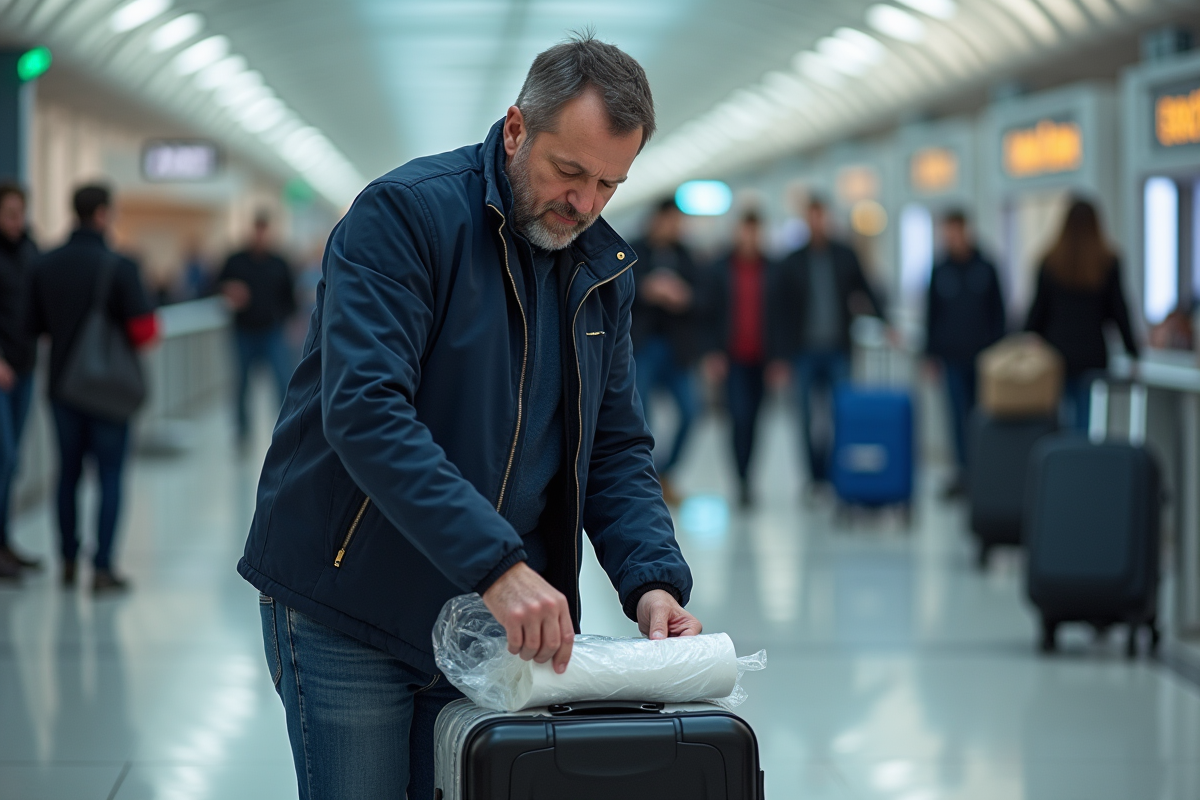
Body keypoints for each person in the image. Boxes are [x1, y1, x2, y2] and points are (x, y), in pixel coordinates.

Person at [237, 33, 700, 800]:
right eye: (569, 171)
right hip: (351, 605)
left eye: (610, 185)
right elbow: (365, 409)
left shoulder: (601, 273)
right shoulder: (406, 218)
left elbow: (615, 448)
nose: (584, 204)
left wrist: (651, 581)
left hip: (490, 626)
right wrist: (497, 564)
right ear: (517, 129)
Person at [28, 184, 158, 591]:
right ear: (102, 214)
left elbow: (35, 327)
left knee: (66, 475)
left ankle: (67, 559)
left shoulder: (46, 263)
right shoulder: (119, 266)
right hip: (108, 392)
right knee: (110, 475)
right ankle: (101, 567)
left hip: (62, 386)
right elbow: (144, 331)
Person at [774, 197, 886, 492]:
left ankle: (837, 473)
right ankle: (814, 478)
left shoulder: (845, 255)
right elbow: (780, 311)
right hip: (803, 352)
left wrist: (886, 323)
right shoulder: (792, 261)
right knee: (806, 419)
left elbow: (867, 289)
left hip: (838, 350)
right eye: (811, 218)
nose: (817, 223)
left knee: (841, 415)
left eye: (821, 217)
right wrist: (781, 356)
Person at [1025, 198, 1139, 431]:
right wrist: (1133, 350)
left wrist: (1028, 336)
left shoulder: (1050, 262)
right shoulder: (1107, 262)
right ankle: (1083, 465)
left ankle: (1063, 465)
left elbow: (1038, 309)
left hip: (1057, 352)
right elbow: (1119, 310)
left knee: (1060, 420)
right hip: (1092, 352)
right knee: (1089, 421)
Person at [924, 210, 1006, 498]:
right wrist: (930, 354)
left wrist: (998, 352)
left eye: (955, 231)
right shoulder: (940, 270)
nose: (951, 237)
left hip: (983, 358)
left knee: (981, 416)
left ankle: (982, 471)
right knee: (955, 416)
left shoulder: (986, 267)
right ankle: (962, 472)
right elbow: (931, 316)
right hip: (951, 357)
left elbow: (999, 314)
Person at [630, 197, 705, 505]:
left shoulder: (687, 257)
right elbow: (613, 289)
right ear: (657, 219)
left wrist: (684, 297)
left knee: (691, 412)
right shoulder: (632, 249)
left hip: (678, 350)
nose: (676, 228)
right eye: (672, 221)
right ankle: (645, 480)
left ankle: (665, 473)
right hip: (642, 347)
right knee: (641, 419)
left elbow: (707, 298)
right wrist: (647, 289)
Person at [708, 211, 776, 508]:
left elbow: (782, 317)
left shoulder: (773, 269)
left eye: (754, 231)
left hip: (762, 359)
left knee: (756, 420)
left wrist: (780, 359)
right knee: (738, 417)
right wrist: (712, 352)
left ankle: (750, 475)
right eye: (744, 231)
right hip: (731, 358)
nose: (749, 237)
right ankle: (741, 480)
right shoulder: (719, 268)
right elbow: (708, 313)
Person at [217, 212, 296, 448]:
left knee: (283, 383)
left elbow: (290, 299)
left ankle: (286, 432)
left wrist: (286, 321)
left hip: (272, 332)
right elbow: (216, 286)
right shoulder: (235, 261)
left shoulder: (279, 262)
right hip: (243, 331)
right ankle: (242, 432)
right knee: (241, 385)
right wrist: (229, 291)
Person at [0, 182, 40, 578]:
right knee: (4, 455)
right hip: (1, 370)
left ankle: (5, 541)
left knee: (12, 463)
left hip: (24, 367)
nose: (17, 221)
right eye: (10, 213)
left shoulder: (30, 250)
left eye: (21, 212)